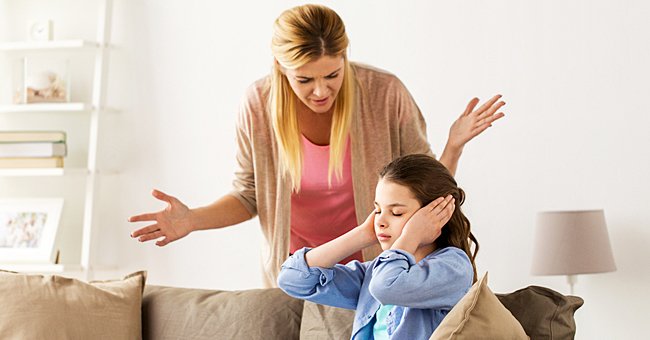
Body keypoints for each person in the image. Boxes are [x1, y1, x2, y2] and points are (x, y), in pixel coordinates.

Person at [129, 4, 502, 286]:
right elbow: (248, 196)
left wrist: (453, 147)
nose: (321, 90)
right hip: (300, 271)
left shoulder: (385, 94)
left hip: (377, 268)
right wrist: (192, 219)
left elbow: (428, 193)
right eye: (305, 79)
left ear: (345, 56)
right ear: (280, 67)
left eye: (333, 74)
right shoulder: (258, 104)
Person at [277, 154, 478, 339]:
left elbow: (386, 287)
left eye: (396, 212)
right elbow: (292, 280)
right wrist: (361, 235)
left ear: (435, 215)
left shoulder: (453, 267)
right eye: (378, 210)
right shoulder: (374, 272)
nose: (381, 221)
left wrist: (411, 235)